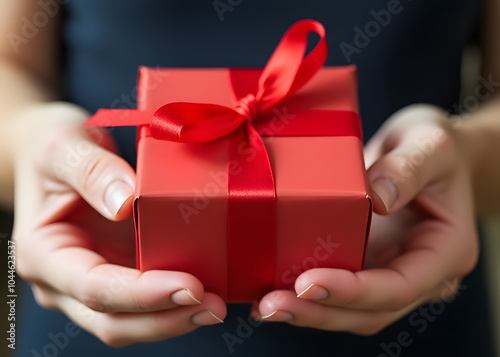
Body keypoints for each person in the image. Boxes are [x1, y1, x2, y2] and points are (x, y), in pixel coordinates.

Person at [0, 0, 497, 355]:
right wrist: (30, 141)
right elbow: (9, 63)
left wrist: (466, 157)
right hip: (90, 291)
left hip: (416, 300)